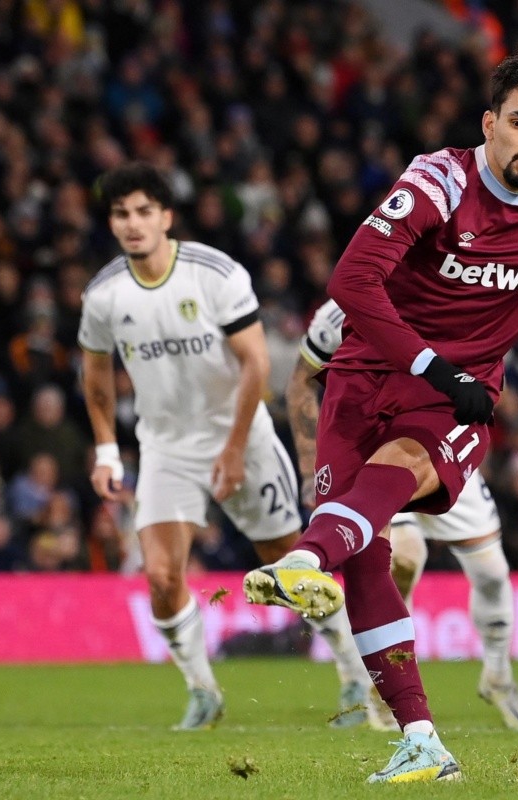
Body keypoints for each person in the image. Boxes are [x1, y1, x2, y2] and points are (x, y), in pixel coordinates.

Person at [242, 50, 518, 784]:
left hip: (458, 397)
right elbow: (354, 278)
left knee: (394, 481)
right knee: (370, 555)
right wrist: (426, 364)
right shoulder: (438, 180)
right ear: (489, 124)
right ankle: (421, 740)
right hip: (367, 373)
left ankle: (305, 559)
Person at [77, 162, 371, 731]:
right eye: (121, 214)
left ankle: (353, 670)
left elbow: (255, 364)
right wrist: (108, 453)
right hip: (164, 446)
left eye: (143, 212)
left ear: (166, 217)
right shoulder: (104, 295)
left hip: (244, 435)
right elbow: (94, 378)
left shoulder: (215, 274)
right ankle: (202, 690)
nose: (133, 224)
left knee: (291, 568)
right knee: (161, 577)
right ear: (112, 223)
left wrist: (234, 449)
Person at [287, 297, 518, 732]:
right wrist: (312, 461)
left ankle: (498, 675)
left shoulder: (463, 296)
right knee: (402, 558)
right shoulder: (339, 312)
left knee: (493, 573)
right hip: (377, 451)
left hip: (437, 441)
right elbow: (300, 384)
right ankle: (386, 681)